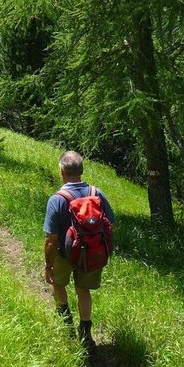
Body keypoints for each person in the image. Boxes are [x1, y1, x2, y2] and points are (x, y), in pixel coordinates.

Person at [43, 150, 115, 351]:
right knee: (83, 290)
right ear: (81, 170)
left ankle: (66, 326)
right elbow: (110, 224)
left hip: (64, 255)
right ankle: (85, 333)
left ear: (62, 172)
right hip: (91, 253)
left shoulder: (57, 199)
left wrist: (48, 265)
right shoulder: (96, 193)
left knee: (58, 283)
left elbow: (52, 240)